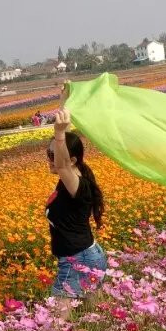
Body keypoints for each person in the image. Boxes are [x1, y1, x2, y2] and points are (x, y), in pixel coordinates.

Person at [45, 107, 107, 312]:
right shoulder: (73, 179)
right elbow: (63, 165)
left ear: (71, 160)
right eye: (49, 153)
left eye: (53, 155)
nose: (50, 159)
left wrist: (60, 134)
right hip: (87, 253)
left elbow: (62, 166)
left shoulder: (76, 184)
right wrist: (64, 104)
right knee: (96, 313)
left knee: (58, 319)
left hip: (77, 257)